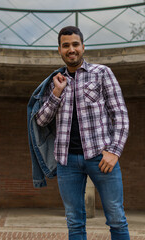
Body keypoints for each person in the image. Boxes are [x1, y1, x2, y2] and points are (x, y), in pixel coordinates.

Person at [35, 26, 130, 240]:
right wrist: (57, 93)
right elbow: (41, 120)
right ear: (59, 50)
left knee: (116, 217)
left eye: (75, 44)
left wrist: (114, 151)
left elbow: (120, 115)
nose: (71, 49)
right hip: (67, 161)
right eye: (66, 45)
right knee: (74, 221)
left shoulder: (102, 73)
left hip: (101, 156)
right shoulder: (54, 82)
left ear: (83, 47)